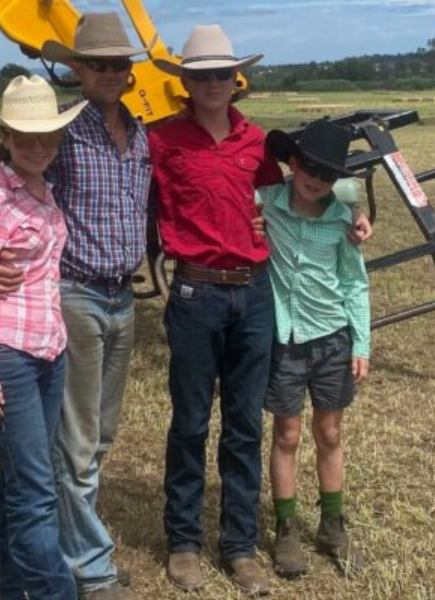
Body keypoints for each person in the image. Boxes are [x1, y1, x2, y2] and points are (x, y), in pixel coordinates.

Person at [0, 13, 153, 600]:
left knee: (99, 435)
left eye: (120, 63)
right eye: (99, 63)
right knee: (77, 443)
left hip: (124, 296)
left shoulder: (139, 133)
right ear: (77, 69)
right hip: (73, 297)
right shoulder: (60, 133)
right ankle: (87, 566)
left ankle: (23, 567)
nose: (112, 73)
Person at [149, 25, 282, 595]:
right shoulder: (160, 140)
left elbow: (298, 203)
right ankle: (183, 542)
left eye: (221, 74)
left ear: (236, 79)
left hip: (254, 294)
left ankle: (238, 544)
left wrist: (351, 218)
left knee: (246, 425)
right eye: (201, 75)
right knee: (190, 423)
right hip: (196, 294)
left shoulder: (260, 143)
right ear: (186, 82)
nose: (212, 83)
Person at [0, 75, 87, 600]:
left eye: (47, 136)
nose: (37, 146)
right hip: (6, 359)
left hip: (48, 353)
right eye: (24, 136)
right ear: (5, 137)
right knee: (35, 492)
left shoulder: (42, 192)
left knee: (17, 481)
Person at [255, 119, 370, 579]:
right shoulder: (268, 204)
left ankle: (332, 524)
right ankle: (286, 527)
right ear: (293, 163)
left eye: (327, 175)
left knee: (330, 433)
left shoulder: (343, 219)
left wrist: (361, 341)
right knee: (286, 435)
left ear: (336, 180)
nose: (315, 180)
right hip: (286, 341)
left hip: (332, 336)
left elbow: (354, 284)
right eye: (309, 168)